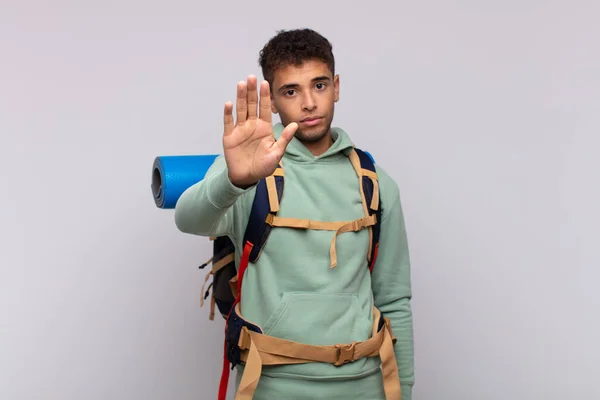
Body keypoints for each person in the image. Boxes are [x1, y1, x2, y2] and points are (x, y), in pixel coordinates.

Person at [174, 28, 415, 400]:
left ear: (336, 86)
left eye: (318, 86)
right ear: (271, 100)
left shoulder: (377, 183)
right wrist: (235, 180)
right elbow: (188, 219)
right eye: (291, 91)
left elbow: (394, 300)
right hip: (273, 384)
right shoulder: (249, 168)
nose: (308, 103)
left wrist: (404, 391)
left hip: (366, 384)